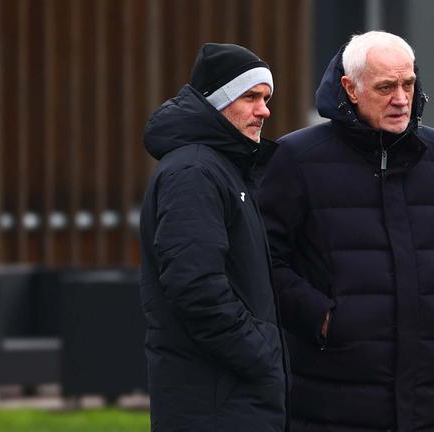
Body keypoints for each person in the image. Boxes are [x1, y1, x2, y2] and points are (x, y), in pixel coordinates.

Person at [257, 31, 434, 432]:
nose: (402, 99)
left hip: (427, 407)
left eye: (409, 83)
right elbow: (265, 260)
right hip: (328, 404)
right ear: (350, 88)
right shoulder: (297, 158)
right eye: (386, 87)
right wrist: (324, 319)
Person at [139, 43, 286, 432]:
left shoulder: (223, 168)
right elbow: (196, 287)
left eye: (266, 98)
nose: (264, 110)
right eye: (251, 97)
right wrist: (260, 354)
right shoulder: (195, 172)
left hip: (230, 398)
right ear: (217, 102)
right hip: (215, 402)